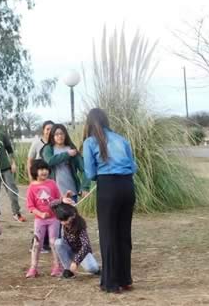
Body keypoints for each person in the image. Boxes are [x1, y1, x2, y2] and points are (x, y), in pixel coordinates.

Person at [82, 108, 137, 293]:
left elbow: (90, 173)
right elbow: (133, 166)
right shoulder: (121, 139)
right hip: (127, 186)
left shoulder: (90, 142)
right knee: (123, 233)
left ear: (89, 123)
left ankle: (111, 282)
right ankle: (125, 279)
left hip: (108, 188)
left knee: (108, 235)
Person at [25, 160, 63, 278]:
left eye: (46, 169)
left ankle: (57, 266)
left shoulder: (52, 183)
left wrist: (64, 199)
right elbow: (30, 206)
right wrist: (41, 214)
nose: (44, 171)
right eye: (41, 169)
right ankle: (33, 268)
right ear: (35, 171)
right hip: (39, 220)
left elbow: (58, 199)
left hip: (54, 219)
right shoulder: (31, 187)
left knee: (53, 242)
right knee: (37, 244)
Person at [41, 124, 91, 203]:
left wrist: (85, 187)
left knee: (72, 215)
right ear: (52, 136)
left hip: (71, 191)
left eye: (62, 133)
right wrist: (67, 154)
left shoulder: (72, 149)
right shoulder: (48, 148)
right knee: (55, 215)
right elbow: (49, 161)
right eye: (57, 134)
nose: (60, 136)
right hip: (54, 192)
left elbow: (85, 169)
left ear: (65, 135)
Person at [51, 202, 100, 279]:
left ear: (72, 216)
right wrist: (62, 200)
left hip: (82, 251)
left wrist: (76, 261)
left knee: (93, 268)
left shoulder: (80, 224)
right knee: (58, 242)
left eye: (66, 220)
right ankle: (69, 270)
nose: (64, 223)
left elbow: (86, 245)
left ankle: (91, 267)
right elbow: (51, 205)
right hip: (70, 249)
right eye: (61, 221)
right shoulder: (63, 220)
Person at [27, 120, 54, 253]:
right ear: (43, 130)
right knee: (39, 212)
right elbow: (30, 160)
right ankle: (36, 243)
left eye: (51, 129)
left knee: (50, 211)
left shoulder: (54, 144)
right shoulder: (37, 143)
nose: (49, 131)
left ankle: (47, 243)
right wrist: (31, 179)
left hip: (49, 181)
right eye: (47, 128)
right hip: (37, 180)